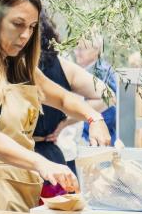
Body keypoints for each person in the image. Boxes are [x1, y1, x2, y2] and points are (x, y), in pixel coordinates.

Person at [0, 0, 111, 212]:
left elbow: (64, 99)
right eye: (17, 24)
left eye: (32, 27)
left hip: (22, 189)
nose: (26, 35)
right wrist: (42, 163)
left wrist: (93, 118)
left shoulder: (22, 68)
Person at [35, 12, 114, 199]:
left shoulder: (55, 66)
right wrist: (66, 121)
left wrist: (66, 122)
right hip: (51, 159)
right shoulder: (62, 65)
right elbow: (108, 96)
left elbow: (108, 96)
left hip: (41, 162)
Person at [74, 38, 119, 144]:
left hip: (98, 138)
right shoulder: (88, 70)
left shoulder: (101, 71)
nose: (77, 53)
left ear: (96, 50)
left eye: (82, 49)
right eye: (76, 49)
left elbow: (110, 105)